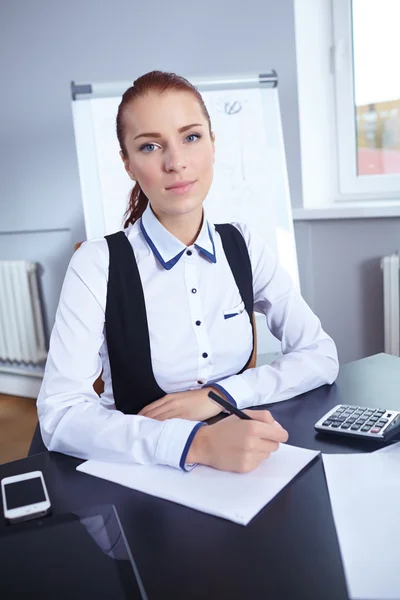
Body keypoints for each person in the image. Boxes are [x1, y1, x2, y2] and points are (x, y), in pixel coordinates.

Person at [37, 70, 339, 474]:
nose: (176, 162)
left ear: (213, 144)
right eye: (149, 146)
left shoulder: (244, 245)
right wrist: (194, 443)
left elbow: (320, 355)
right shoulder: (97, 263)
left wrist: (219, 395)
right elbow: (60, 415)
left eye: (191, 137)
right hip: (139, 472)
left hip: (244, 461)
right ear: (127, 164)